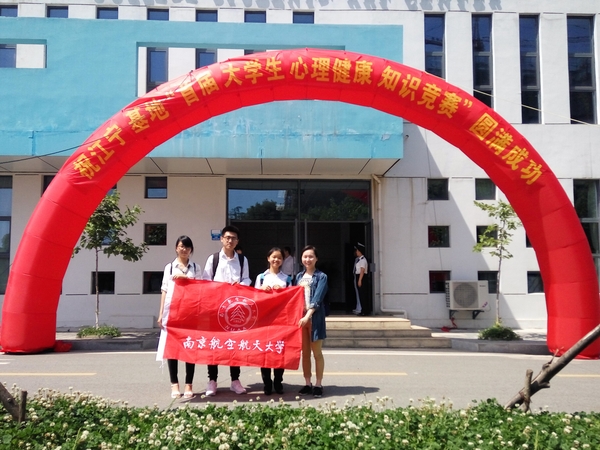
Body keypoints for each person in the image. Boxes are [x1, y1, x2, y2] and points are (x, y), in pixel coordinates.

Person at [202, 225, 251, 396]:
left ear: (237, 241)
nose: (230, 241)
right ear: (222, 239)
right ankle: (212, 380)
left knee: (234, 345)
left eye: (233, 238)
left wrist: (240, 285)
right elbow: (206, 281)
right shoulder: (213, 259)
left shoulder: (242, 260)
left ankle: (235, 380)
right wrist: (219, 287)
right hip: (216, 309)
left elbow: (247, 279)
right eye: (227, 237)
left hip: (235, 310)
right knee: (214, 345)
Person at [157, 235, 201, 399]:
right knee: (173, 349)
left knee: (190, 348)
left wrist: (186, 278)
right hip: (173, 313)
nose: (184, 249)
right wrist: (161, 313)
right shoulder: (169, 268)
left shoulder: (196, 267)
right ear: (176, 248)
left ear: (191, 250)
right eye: (181, 246)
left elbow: (201, 288)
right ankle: (174, 384)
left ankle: (189, 384)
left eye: (187, 247)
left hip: (191, 313)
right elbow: (164, 290)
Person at [254, 247, 293, 395]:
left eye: (279, 258)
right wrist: (261, 290)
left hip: (281, 320)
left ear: (283, 260)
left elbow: (291, 299)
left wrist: (282, 292)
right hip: (264, 320)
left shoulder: (287, 279)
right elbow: (254, 298)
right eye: (273, 257)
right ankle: (267, 383)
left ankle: (278, 381)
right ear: (268, 258)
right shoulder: (261, 277)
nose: (276, 260)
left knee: (279, 350)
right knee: (264, 351)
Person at [295, 245, 328, 398]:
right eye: (305, 256)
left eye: (310, 256)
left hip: (314, 319)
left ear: (316, 259)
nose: (307, 259)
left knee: (317, 353)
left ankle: (318, 384)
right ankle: (307, 383)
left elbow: (317, 299)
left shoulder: (321, 277)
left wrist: (307, 316)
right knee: (305, 354)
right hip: (300, 319)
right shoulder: (298, 277)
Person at [352, 242, 369, 316]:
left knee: (363, 294)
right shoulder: (359, 260)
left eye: (357, 251)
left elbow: (362, 270)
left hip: (361, 277)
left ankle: (365, 310)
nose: (356, 252)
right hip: (358, 276)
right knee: (360, 294)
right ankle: (363, 309)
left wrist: (360, 280)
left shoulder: (363, 260)